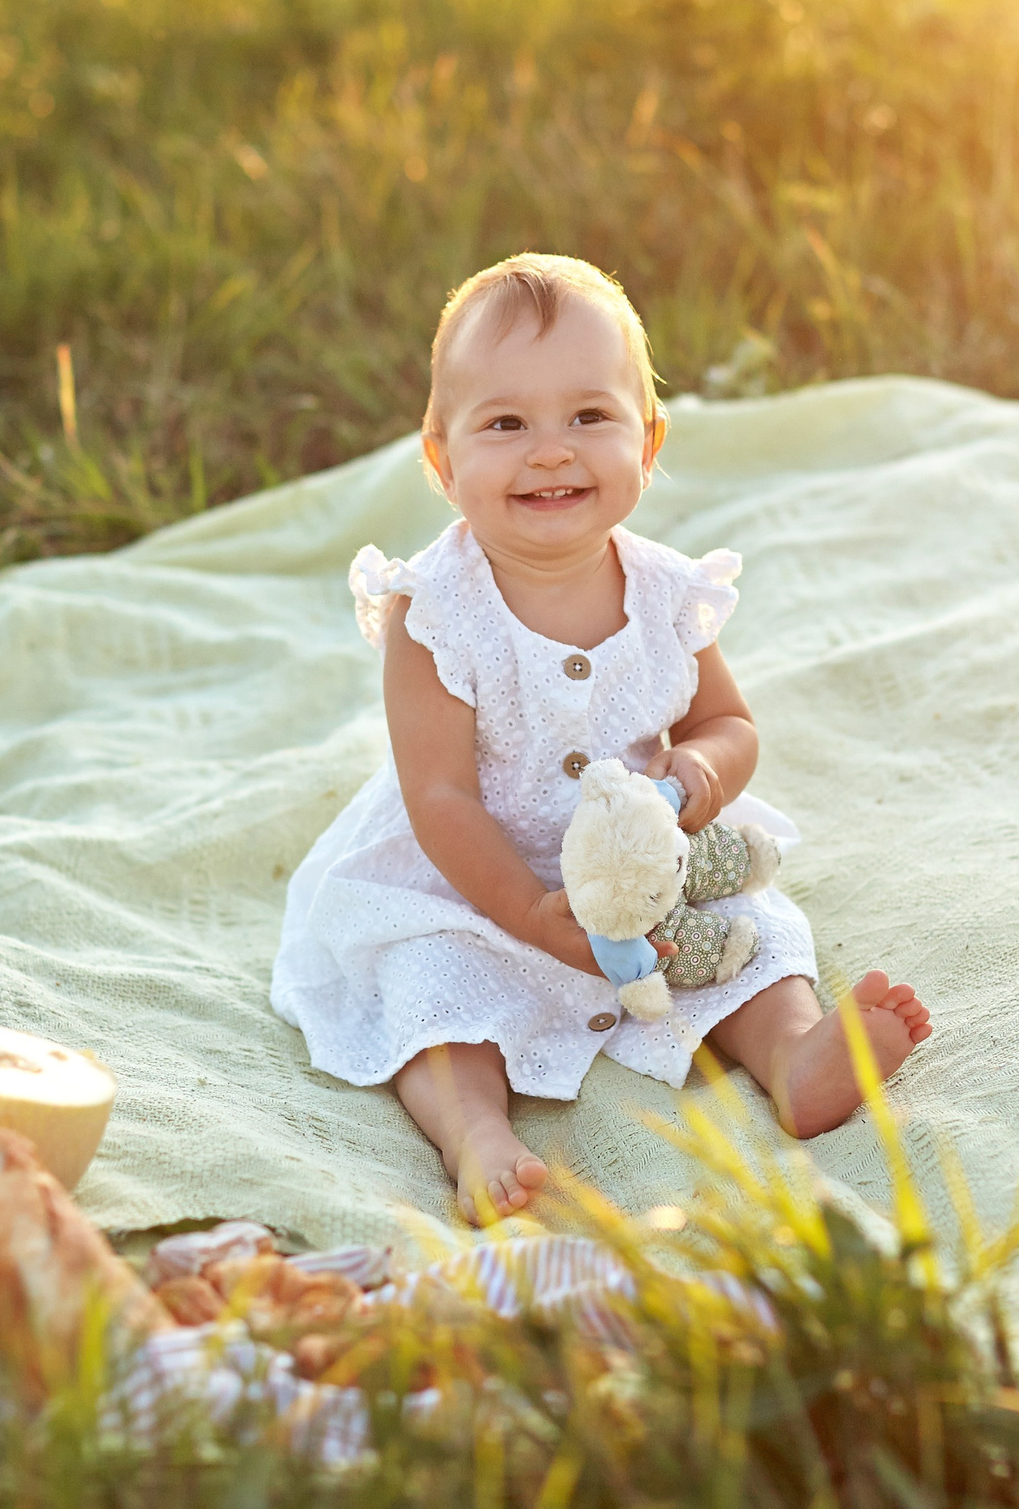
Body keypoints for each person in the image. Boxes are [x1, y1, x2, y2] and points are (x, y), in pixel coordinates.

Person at [271, 253, 931, 1222]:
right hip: (474, 878)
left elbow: (727, 724)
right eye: (506, 424)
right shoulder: (435, 613)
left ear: (648, 442)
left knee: (756, 935)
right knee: (431, 984)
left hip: (647, 871)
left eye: (588, 416)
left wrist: (696, 780)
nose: (551, 452)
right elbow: (440, 797)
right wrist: (527, 911)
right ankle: (474, 1131)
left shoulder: (666, 592)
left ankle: (796, 1055)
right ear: (441, 460)